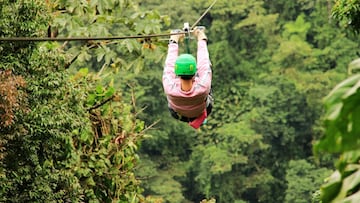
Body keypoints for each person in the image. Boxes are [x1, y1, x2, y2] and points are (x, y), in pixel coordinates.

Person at [162, 27, 213, 129]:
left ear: (177, 73)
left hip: (178, 114)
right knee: (207, 75)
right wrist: (201, 37)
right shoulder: (203, 86)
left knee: (205, 73)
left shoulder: (170, 87)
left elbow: (169, 65)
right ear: (194, 73)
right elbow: (204, 63)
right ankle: (198, 117)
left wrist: (174, 40)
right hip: (202, 108)